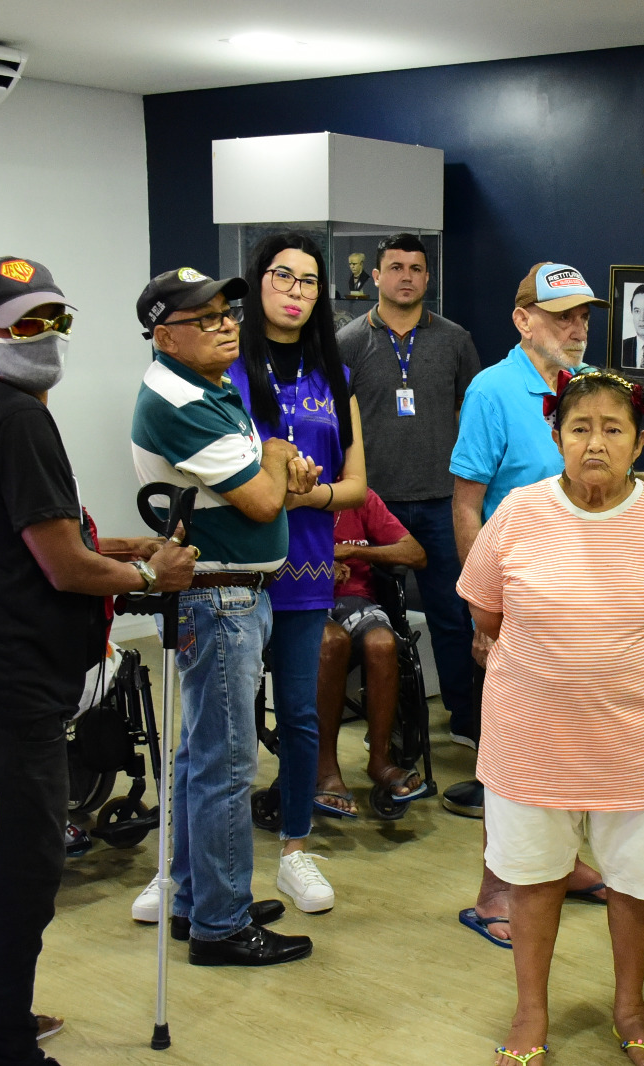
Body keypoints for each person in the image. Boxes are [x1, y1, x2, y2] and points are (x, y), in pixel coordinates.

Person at [0, 257, 195, 1064]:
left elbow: (29, 536)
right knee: (20, 872)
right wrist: (152, 573)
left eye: (56, 321)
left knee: (0, 861)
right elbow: (62, 567)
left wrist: (117, 545)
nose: (45, 339)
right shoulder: (15, 417)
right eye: (24, 325)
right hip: (13, 682)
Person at [458, 369, 644, 1066]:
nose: (595, 443)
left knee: (635, 882)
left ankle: (631, 1008)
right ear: (556, 437)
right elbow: (487, 609)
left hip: (639, 740)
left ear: (640, 442)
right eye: (580, 428)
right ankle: (530, 1014)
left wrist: (615, 663)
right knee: (535, 877)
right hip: (530, 737)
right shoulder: (518, 511)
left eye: (612, 429)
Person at [129, 266, 315, 966]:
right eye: (204, 319)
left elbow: (272, 487)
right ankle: (223, 924)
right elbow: (266, 500)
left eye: (226, 313)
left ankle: (195, 899)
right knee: (225, 765)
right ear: (162, 333)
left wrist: (277, 468)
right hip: (219, 598)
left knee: (197, 756)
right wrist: (275, 457)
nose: (226, 324)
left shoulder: (209, 389)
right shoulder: (177, 399)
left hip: (235, 596)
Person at [450, 261, 612, 945]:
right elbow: (465, 506)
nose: (576, 328)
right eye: (561, 316)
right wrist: (482, 612)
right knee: (512, 754)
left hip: (585, 602)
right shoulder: (492, 389)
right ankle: (495, 893)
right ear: (524, 321)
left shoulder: (591, 389)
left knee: (570, 743)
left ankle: (565, 863)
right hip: (517, 601)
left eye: (582, 316)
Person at [226, 233, 366, 914]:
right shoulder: (226, 372)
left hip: (306, 564)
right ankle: (186, 858)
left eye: (310, 282)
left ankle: (294, 849)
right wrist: (272, 477)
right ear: (258, 284)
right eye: (283, 276)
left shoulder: (335, 379)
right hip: (234, 567)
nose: (295, 291)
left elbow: (358, 486)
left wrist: (310, 493)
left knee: (303, 714)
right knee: (216, 719)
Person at [336, 233, 483, 745]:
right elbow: (337, 427)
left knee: (452, 615)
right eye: (395, 267)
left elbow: (475, 415)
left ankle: (466, 721)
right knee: (378, 621)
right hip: (373, 505)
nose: (406, 276)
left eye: (416, 268)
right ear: (375, 277)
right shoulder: (348, 342)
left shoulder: (455, 339)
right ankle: (396, 726)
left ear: (427, 278)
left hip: (444, 503)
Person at [316, 489, 428, 817]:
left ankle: (380, 760)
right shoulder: (290, 496)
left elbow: (416, 554)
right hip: (303, 600)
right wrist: (321, 563)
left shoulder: (360, 498)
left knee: (383, 642)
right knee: (332, 642)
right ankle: (325, 768)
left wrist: (355, 551)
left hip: (355, 599)